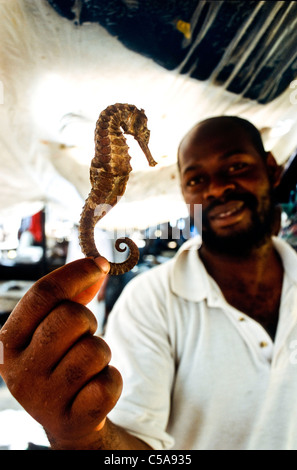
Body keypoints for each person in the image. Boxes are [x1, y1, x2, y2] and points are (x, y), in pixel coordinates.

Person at [0, 116, 297, 450]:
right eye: (196, 179)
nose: (215, 188)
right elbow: (139, 445)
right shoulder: (149, 301)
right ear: (184, 194)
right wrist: (83, 435)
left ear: (272, 170)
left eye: (235, 167)